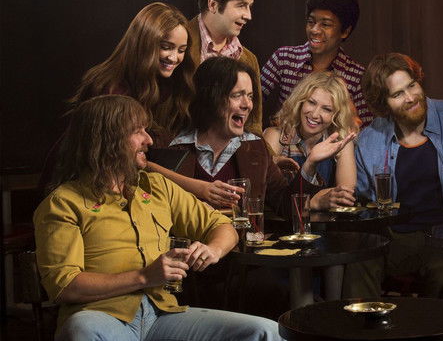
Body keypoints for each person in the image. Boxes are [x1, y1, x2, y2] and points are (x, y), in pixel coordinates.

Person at [33, 95, 282, 341]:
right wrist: (144, 277)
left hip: (161, 316)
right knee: (81, 329)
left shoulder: (156, 187)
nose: (149, 140)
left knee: (264, 331)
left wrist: (213, 249)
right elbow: (64, 286)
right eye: (137, 131)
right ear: (107, 140)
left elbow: (221, 225)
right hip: (102, 318)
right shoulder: (64, 203)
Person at [343, 53, 443, 299]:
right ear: (384, 103)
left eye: (412, 85)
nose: (410, 97)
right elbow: (363, 205)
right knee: (359, 261)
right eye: (397, 94)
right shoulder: (369, 140)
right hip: (396, 235)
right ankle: (364, 322)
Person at [150, 57, 354, 211]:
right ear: (212, 97)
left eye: (249, 96)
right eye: (237, 95)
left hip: (242, 253)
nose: (247, 104)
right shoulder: (173, 144)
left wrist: (310, 164)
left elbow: (286, 204)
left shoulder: (254, 147)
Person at [70, 2, 195, 140]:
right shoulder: (109, 88)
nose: (174, 58)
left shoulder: (174, 85)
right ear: (144, 43)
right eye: (166, 47)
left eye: (181, 50)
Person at [261, 0, 372, 125]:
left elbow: (366, 129)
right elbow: (253, 99)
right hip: (283, 137)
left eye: (325, 24)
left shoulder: (357, 77)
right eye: (311, 22)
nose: (315, 30)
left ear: (345, 31)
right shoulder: (284, 58)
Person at [263, 71, 361, 211]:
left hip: (326, 222)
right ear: (300, 101)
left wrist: (309, 199)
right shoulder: (276, 136)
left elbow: (345, 196)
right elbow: (265, 194)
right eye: (311, 102)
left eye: (326, 109)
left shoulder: (341, 142)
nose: (315, 114)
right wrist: (316, 200)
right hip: (285, 221)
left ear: (337, 115)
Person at [188, 0, 263, 134]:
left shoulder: (249, 60)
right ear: (213, 4)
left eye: (249, 6)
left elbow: (254, 126)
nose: (248, 15)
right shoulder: (178, 46)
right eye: (241, 5)